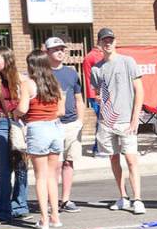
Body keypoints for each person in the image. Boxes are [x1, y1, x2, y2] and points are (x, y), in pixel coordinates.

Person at [89, 27, 145, 213]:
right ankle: (123, 196)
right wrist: (100, 100)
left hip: (126, 119)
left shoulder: (127, 62)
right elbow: (99, 93)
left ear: (115, 41)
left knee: (131, 159)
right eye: (104, 40)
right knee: (113, 159)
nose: (108, 43)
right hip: (107, 121)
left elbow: (140, 90)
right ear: (99, 43)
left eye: (111, 40)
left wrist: (135, 118)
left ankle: (137, 199)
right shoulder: (97, 69)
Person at [0, 46, 29, 223]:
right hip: (1, 123)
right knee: (4, 170)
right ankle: (2, 210)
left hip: (19, 124)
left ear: (7, 60)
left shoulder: (21, 79)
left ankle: (20, 205)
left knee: (22, 166)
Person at [18, 50, 65, 229]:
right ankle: (55, 216)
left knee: (40, 176)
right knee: (53, 176)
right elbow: (61, 111)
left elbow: (22, 109)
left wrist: (15, 112)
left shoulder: (28, 84)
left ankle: (44, 219)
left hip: (37, 128)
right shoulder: (54, 83)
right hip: (55, 127)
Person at [45, 37, 85, 213]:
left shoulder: (71, 73)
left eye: (62, 48)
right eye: (55, 49)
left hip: (71, 124)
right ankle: (51, 200)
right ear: (47, 52)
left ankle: (65, 199)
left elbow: (78, 98)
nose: (60, 52)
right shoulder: (42, 73)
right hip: (51, 124)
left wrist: (80, 121)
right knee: (54, 164)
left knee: (69, 162)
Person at [81, 41, 104, 156]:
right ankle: (98, 148)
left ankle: (98, 148)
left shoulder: (89, 56)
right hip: (97, 94)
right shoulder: (95, 56)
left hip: (94, 94)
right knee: (102, 121)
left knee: (102, 121)